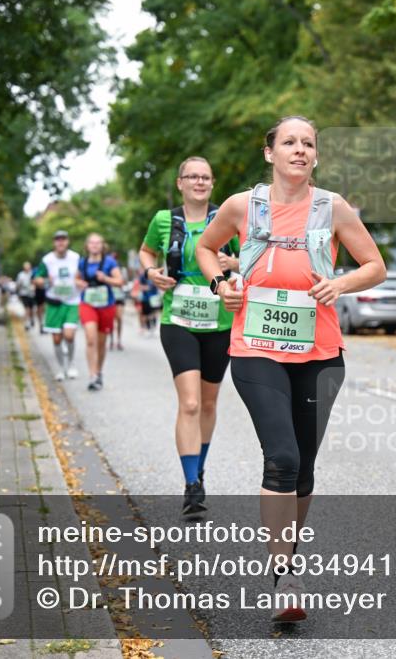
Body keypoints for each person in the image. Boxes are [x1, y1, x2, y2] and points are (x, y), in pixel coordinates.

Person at [197, 116, 386, 622]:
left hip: (320, 353)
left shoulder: (332, 207)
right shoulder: (242, 206)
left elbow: (375, 266)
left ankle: (289, 560)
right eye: (289, 142)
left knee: (303, 467)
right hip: (256, 347)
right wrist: (220, 284)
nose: (299, 150)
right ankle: (283, 576)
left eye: (308, 143)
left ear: (315, 156)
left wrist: (340, 284)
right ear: (270, 153)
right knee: (281, 457)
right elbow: (206, 248)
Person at [139, 156, 241, 520]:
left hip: (219, 323)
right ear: (180, 183)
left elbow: (254, 257)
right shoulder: (163, 220)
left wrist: (234, 264)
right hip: (178, 319)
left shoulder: (228, 217)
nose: (199, 182)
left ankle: (199, 469)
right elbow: (146, 251)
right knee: (191, 403)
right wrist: (151, 272)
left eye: (205, 177)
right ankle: (191, 484)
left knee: (209, 404)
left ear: (212, 184)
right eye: (192, 176)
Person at [77, 234, 124, 391]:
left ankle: (98, 372)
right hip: (87, 304)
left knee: (101, 343)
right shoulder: (82, 262)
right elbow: (76, 279)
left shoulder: (110, 262)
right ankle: (92, 375)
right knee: (91, 339)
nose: (95, 245)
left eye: (98, 243)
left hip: (106, 305)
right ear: (87, 245)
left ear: (103, 246)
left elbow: (120, 281)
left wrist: (105, 279)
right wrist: (80, 283)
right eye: (92, 243)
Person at [33, 230, 81, 381]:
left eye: (63, 239)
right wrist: (46, 281)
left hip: (72, 301)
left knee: (69, 335)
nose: (61, 242)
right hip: (54, 302)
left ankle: (71, 364)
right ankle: (61, 368)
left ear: (68, 241)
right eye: (58, 240)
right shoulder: (47, 260)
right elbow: (36, 279)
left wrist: (81, 281)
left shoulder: (76, 258)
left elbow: (83, 274)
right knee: (57, 339)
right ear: (54, 242)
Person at [109, 252, 128, 351]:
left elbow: (124, 282)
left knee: (119, 318)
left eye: (115, 258)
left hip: (120, 296)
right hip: (110, 296)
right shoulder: (107, 268)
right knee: (111, 319)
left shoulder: (122, 269)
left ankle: (119, 341)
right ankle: (111, 340)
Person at [16, 261, 37, 329]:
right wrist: (18, 292)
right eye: (26, 267)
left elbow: (36, 282)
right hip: (24, 293)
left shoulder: (33, 273)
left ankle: (31, 319)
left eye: (28, 267)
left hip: (32, 294)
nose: (27, 268)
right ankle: (26, 323)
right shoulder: (21, 275)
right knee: (26, 309)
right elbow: (18, 285)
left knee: (32, 309)